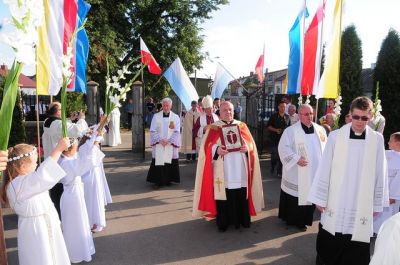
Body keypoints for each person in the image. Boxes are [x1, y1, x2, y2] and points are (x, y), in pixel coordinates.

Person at [308, 96, 387, 265]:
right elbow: (325, 166)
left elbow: (381, 171)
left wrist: (376, 202)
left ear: (370, 116)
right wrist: (320, 197)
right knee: (330, 242)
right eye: (356, 117)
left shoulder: (377, 139)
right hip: (337, 197)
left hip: (361, 200)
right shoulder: (336, 136)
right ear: (350, 114)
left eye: (364, 118)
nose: (359, 121)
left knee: (356, 246)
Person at [192, 101, 264, 232]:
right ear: (219, 112)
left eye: (230, 110)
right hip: (222, 169)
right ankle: (223, 221)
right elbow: (205, 149)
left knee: (240, 192)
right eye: (225, 110)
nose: (228, 112)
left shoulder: (241, 126)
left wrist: (246, 148)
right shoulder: (213, 128)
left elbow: (251, 144)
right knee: (224, 193)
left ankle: (242, 220)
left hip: (240, 168)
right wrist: (216, 149)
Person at [1, 138, 71, 265]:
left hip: (45, 223)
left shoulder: (24, 181)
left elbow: (40, 179)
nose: (37, 165)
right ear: (22, 166)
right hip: (36, 229)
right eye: (34, 163)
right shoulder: (17, 185)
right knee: (40, 258)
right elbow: (41, 177)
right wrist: (58, 150)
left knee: (53, 255)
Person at [278, 104, 327, 231]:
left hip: (315, 170)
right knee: (296, 196)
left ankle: (303, 220)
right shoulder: (290, 131)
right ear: (299, 115)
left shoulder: (320, 130)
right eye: (306, 114)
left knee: (309, 196)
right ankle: (291, 219)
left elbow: (326, 149)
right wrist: (296, 159)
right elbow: (283, 148)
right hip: (297, 170)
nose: (310, 116)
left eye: (311, 113)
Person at [58, 134, 104, 263]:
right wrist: (95, 143)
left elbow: (83, 159)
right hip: (73, 197)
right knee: (76, 225)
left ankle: (80, 250)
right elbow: (87, 161)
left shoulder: (64, 159)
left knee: (78, 223)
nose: (77, 149)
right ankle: (76, 253)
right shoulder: (68, 163)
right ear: (70, 149)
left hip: (71, 195)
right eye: (76, 147)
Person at [42, 102, 88, 217]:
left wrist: (70, 119)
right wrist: (81, 119)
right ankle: (63, 218)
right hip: (59, 163)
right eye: (61, 109)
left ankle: (58, 215)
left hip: (50, 160)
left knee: (54, 191)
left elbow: (61, 127)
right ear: (57, 111)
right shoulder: (57, 124)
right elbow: (77, 130)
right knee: (60, 192)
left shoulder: (47, 121)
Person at [146, 97, 181, 189]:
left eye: (167, 106)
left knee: (169, 161)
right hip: (159, 143)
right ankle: (158, 181)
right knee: (159, 161)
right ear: (162, 105)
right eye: (164, 105)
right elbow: (153, 130)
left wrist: (169, 141)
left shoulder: (175, 117)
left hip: (170, 143)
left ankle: (168, 180)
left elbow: (177, 131)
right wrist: (160, 140)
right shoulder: (156, 116)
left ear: (171, 106)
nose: (166, 107)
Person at [373, 132, 400, 234]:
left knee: (389, 216)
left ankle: (386, 235)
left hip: (392, 195)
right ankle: (374, 232)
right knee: (377, 213)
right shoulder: (386, 153)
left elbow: (398, 180)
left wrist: (392, 196)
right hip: (380, 189)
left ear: (397, 143)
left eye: (390, 140)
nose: (388, 142)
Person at [267, 101, 291, 177]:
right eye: (281, 106)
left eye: (284, 107)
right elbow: (268, 126)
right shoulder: (273, 116)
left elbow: (289, 128)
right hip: (274, 139)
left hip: (284, 140)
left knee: (281, 156)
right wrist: (276, 130)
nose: (283, 108)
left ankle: (279, 172)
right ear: (278, 107)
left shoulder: (287, 117)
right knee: (275, 155)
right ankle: (273, 166)